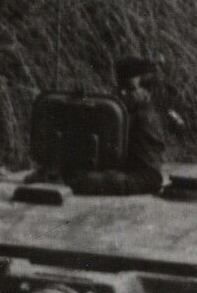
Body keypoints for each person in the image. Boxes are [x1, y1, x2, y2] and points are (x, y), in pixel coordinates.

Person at [66, 55, 167, 195]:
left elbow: (150, 178)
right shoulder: (118, 114)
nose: (122, 93)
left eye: (129, 88)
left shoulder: (145, 120)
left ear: (146, 92)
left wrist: (89, 181)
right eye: (120, 86)